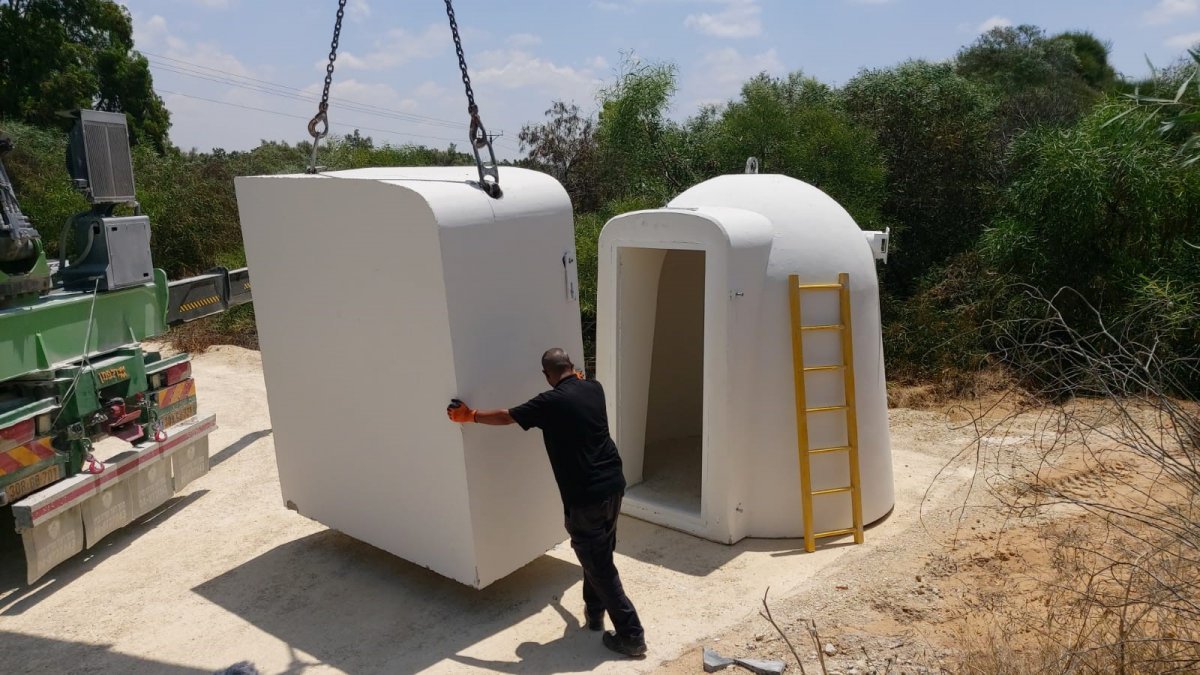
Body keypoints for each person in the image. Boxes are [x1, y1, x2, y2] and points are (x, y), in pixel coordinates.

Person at [446, 348, 647, 658]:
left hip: (585, 497)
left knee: (599, 565)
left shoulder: (550, 402)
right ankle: (594, 615)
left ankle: (631, 635)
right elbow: (579, 385)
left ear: (547, 374)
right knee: (598, 554)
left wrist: (469, 415)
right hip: (613, 486)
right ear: (572, 367)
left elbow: (507, 416)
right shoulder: (594, 388)